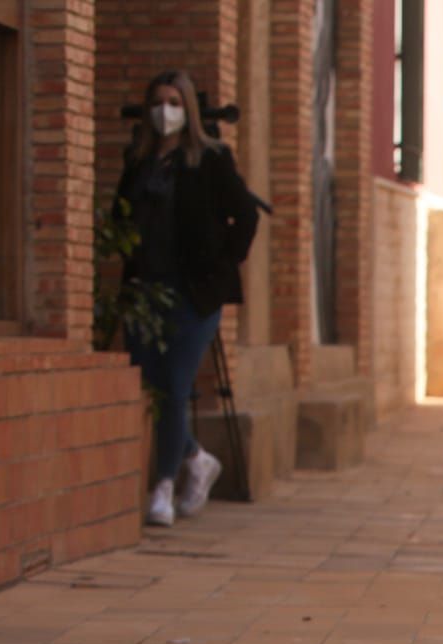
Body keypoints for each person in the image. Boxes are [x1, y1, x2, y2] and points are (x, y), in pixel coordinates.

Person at [114, 69, 258, 528]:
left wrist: (222, 265)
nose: (165, 111)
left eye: (175, 102)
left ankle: (163, 486)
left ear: (188, 108)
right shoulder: (139, 162)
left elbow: (245, 215)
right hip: (145, 294)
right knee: (154, 388)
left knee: (176, 386)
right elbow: (121, 218)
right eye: (158, 101)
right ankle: (196, 458)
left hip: (193, 294)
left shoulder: (209, 159)